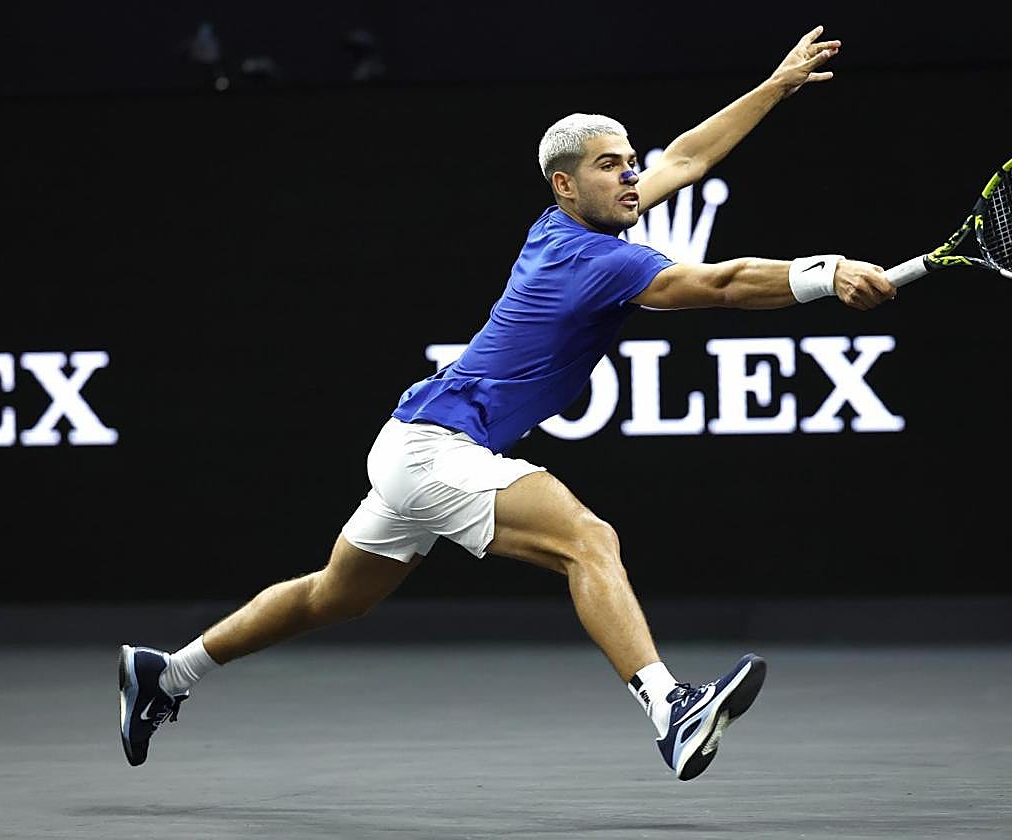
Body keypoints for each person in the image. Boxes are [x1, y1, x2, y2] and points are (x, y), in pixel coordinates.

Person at [118, 24, 896, 782]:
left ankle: (168, 674)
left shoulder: (566, 226)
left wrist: (777, 84)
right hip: (434, 448)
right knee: (587, 539)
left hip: (411, 442)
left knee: (333, 596)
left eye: (631, 163)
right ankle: (671, 708)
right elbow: (720, 285)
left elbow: (686, 158)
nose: (631, 177)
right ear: (565, 184)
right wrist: (825, 272)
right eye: (609, 167)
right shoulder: (592, 260)